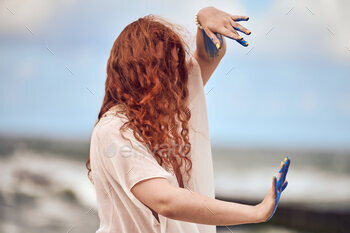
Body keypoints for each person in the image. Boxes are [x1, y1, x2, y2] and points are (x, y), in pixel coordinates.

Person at [87, 6, 290, 233]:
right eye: (166, 71)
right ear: (139, 73)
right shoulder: (113, 130)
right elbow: (167, 201)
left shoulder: (162, 117)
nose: (176, 79)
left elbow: (207, 56)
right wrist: (256, 212)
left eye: (177, 68)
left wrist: (204, 17)